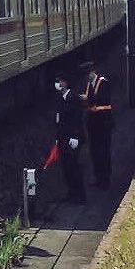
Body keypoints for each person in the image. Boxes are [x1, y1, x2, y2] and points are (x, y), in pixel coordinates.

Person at [80, 61, 113, 190]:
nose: (87, 76)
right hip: (93, 125)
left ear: (93, 71)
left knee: (104, 152)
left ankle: (106, 180)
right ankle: (99, 178)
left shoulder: (103, 82)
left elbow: (101, 102)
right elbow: (90, 100)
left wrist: (88, 102)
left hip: (103, 124)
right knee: (95, 152)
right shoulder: (89, 85)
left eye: (88, 73)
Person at [54, 72, 86, 204]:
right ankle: (72, 194)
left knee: (73, 167)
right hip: (63, 139)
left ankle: (80, 196)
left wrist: (76, 137)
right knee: (66, 168)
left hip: (72, 139)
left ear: (66, 83)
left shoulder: (73, 98)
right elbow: (59, 121)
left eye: (60, 81)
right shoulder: (61, 99)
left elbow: (77, 119)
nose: (58, 84)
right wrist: (58, 138)